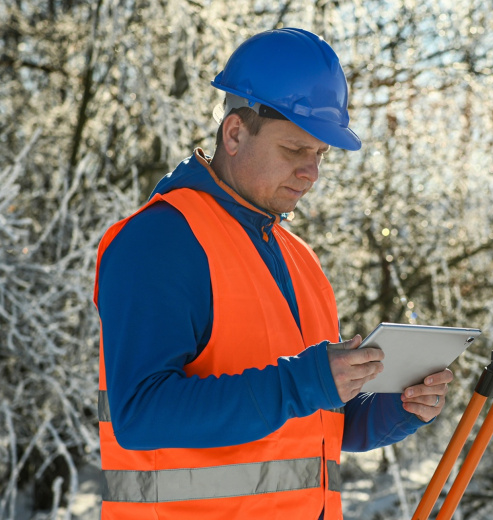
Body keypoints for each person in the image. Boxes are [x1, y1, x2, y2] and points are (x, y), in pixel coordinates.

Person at [94, 28, 453, 519]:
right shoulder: (161, 240)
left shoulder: (298, 257)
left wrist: (397, 408)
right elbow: (140, 415)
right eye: (294, 150)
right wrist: (305, 382)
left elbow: (314, 423)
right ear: (235, 132)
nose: (312, 173)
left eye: (321, 155)